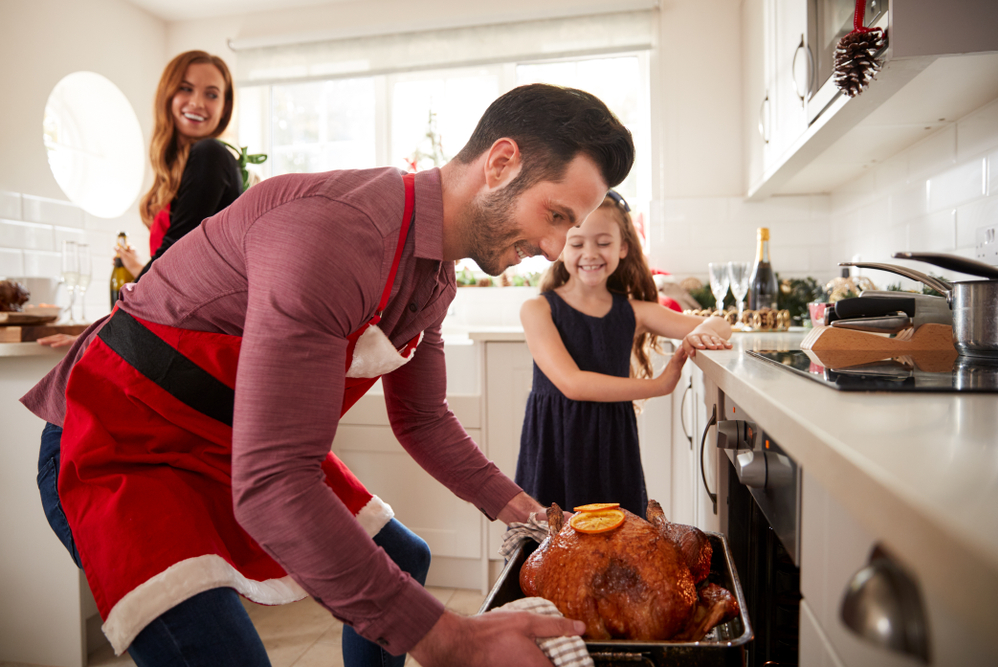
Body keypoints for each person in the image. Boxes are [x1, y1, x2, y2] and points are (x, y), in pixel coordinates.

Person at [21, 82, 635, 667]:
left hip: (226, 443)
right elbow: (273, 483)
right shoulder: (336, 233)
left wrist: (534, 517)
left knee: (403, 554)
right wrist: (450, 640)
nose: (557, 250)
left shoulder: (437, 275)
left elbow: (422, 420)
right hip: (119, 440)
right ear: (500, 163)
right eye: (555, 215)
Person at [515, 191, 733, 518]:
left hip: (611, 446)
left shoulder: (636, 312)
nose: (590, 253)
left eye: (603, 242)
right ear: (561, 247)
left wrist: (701, 332)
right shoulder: (537, 309)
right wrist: (660, 384)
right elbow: (573, 384)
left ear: (623, 247)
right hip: (555, 447)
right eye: (576, 244)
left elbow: (721, 326)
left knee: (617, 545)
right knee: (551, 549)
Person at [37, 50, 243, 350]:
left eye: (211, 94)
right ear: (168, 95)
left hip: (197, 339)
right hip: (185, 329)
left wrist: (101, 332)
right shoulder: (181, 170)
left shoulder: (210, 154)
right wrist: (140, 270)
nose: (197, 102)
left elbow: (174, 255)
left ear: (224, 107)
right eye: (186, 89)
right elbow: (183, 262)